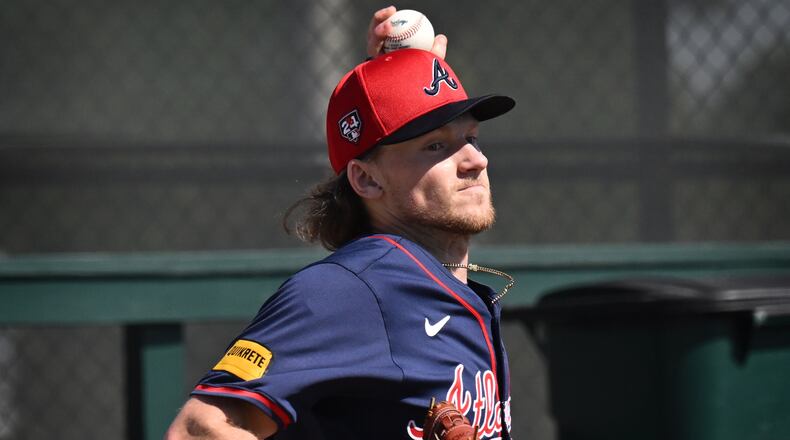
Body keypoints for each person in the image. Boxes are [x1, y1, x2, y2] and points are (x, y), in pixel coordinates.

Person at [166, 6, 516, 439]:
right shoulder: (352, 290)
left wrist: (404, 78)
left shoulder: (445, 287)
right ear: (366, 179)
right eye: (435, 146)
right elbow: (200, 429)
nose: (475, 161)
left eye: (471, 138)